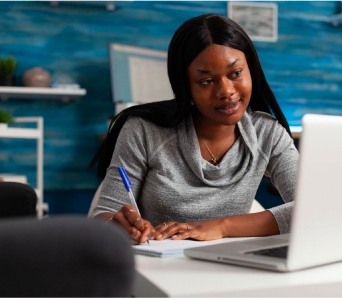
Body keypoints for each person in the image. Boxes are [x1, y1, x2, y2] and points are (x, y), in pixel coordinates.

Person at [90, 13, 299, 244]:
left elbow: (313, 208)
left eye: (235, 73)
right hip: (160, 268)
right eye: (206, 81)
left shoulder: (267, 133)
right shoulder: (144, 131)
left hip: (232, 266)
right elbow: (103, 215)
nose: (226, 91)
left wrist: (221, 226)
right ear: (186, 87)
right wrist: (117, 225)